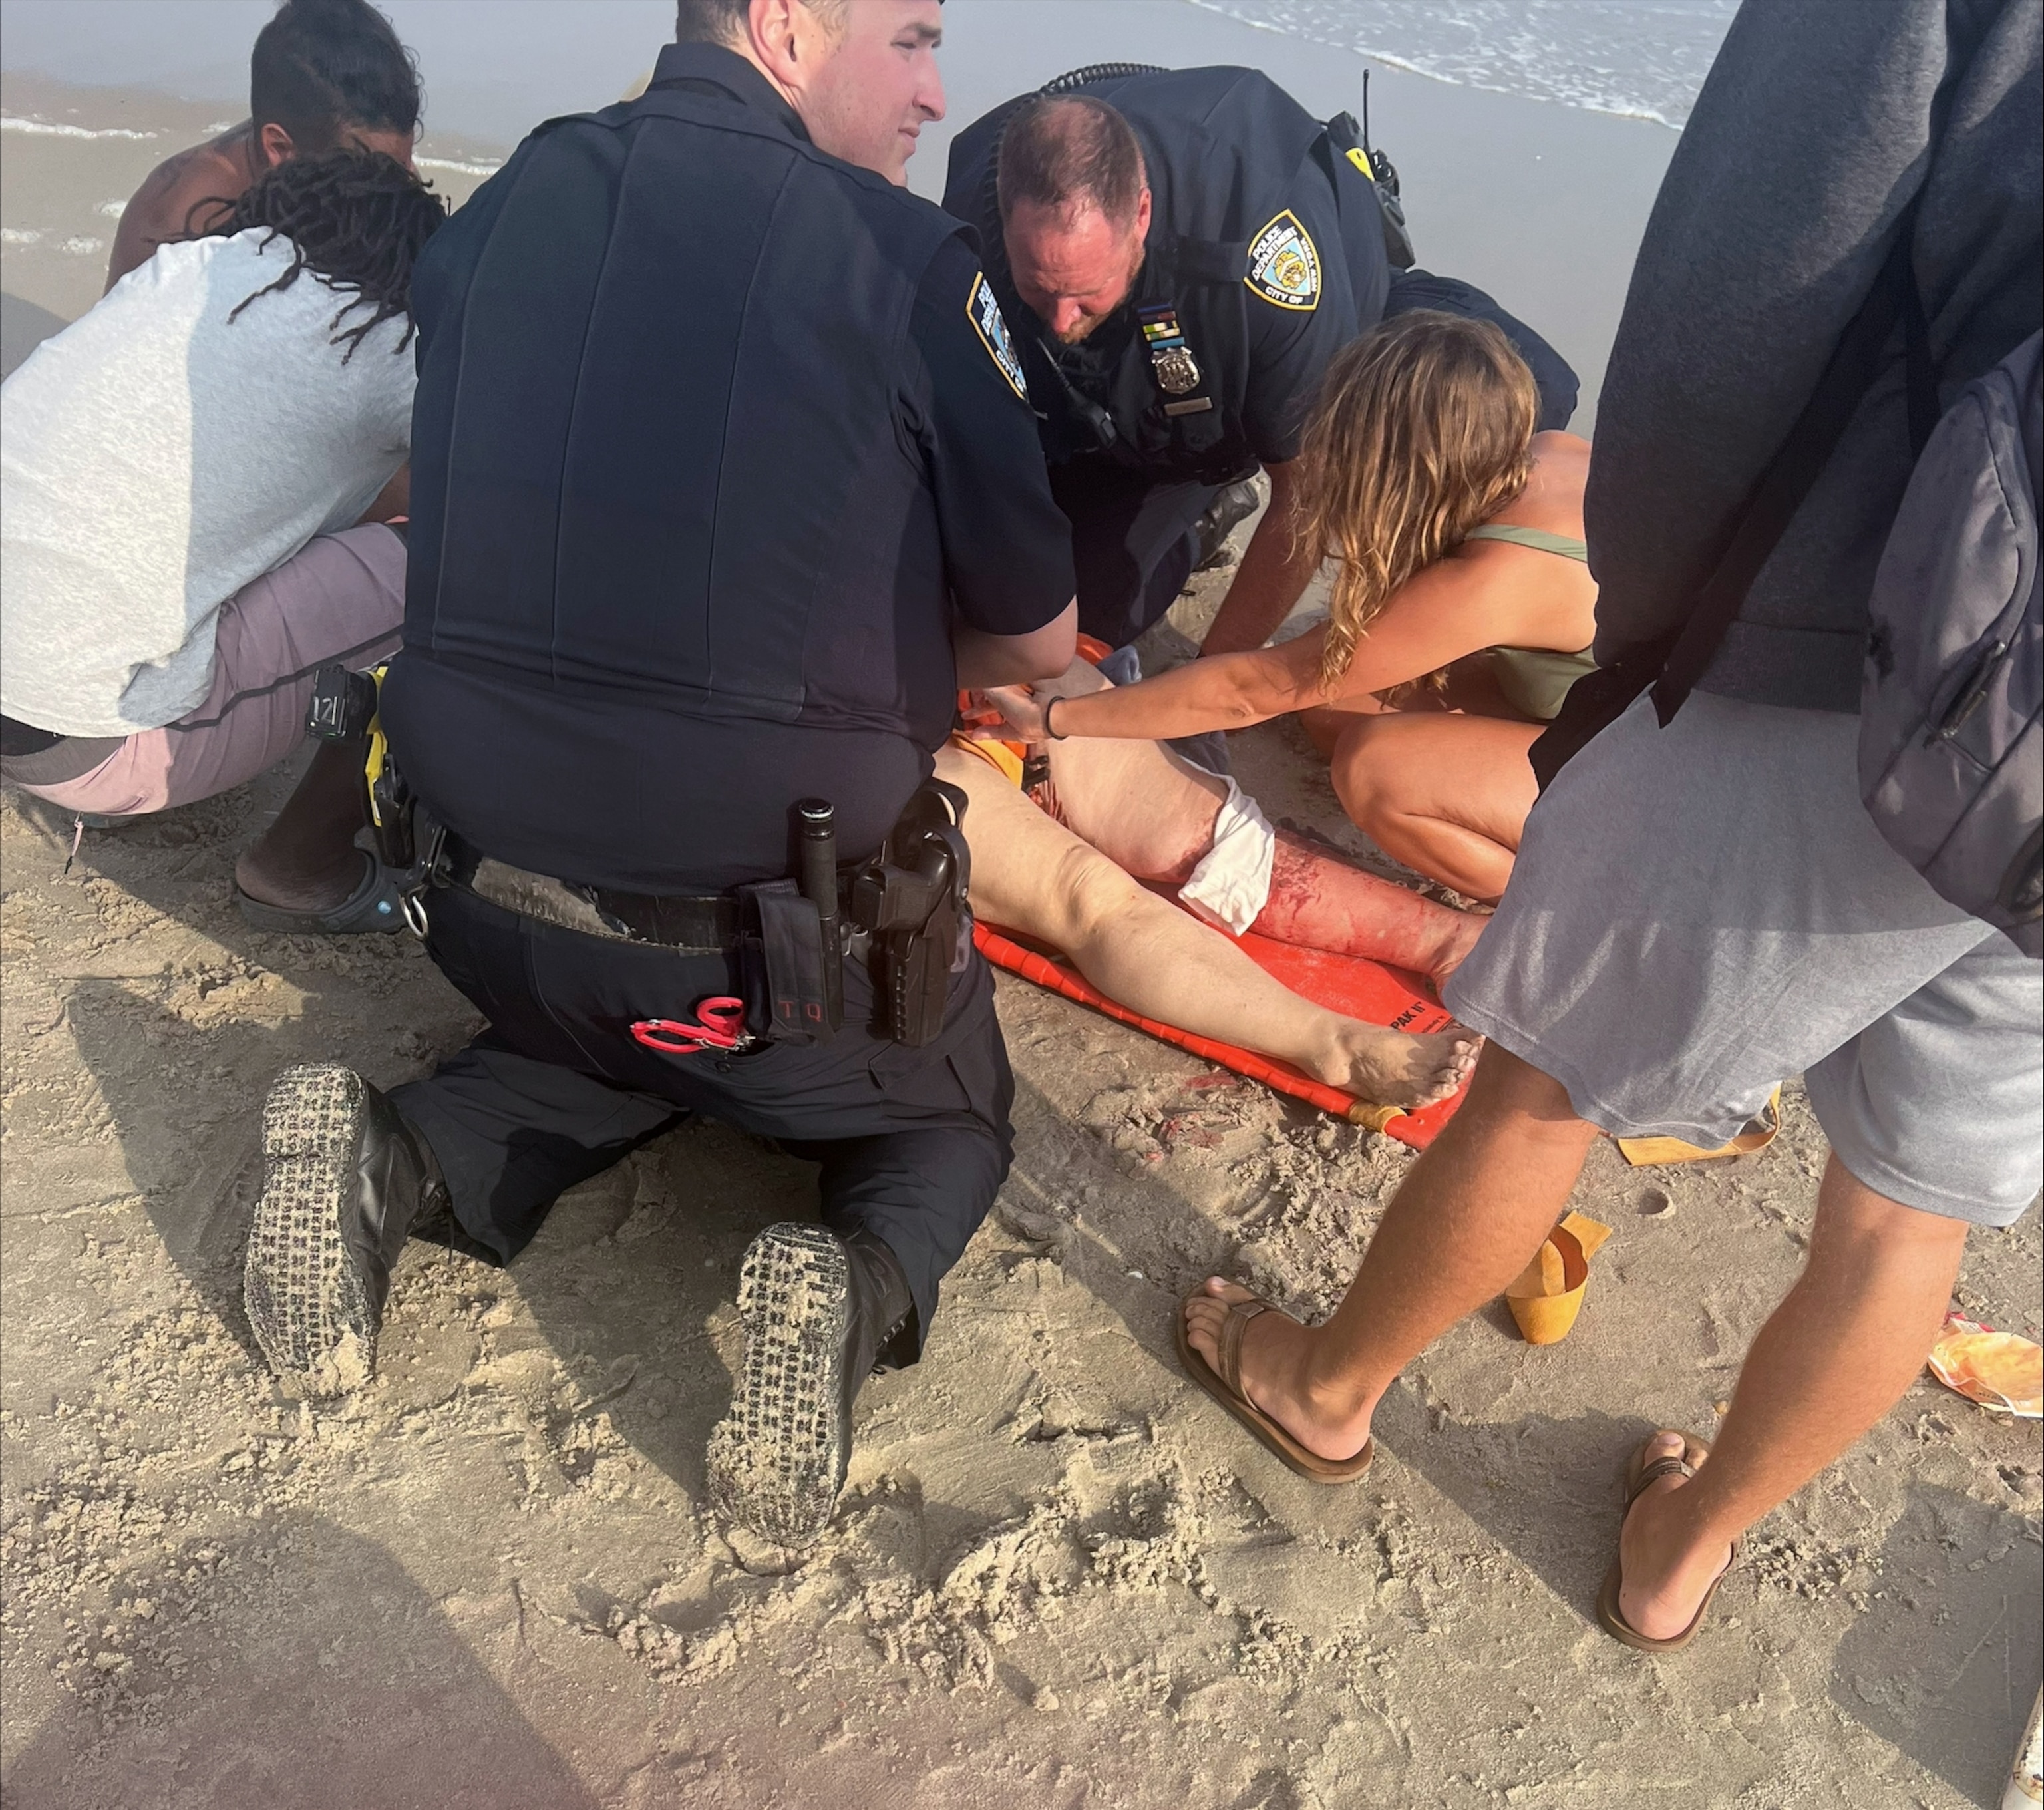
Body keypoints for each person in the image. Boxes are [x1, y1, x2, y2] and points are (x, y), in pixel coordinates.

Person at [1176, 0, 2040, 1651]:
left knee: (1543, 1072)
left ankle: (1326, 1381)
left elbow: (1754, 264)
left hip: (1872, 651)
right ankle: (1678, 1549)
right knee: (1902, 1218)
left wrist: (1665, 614)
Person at [239, 0, 1078, 1550]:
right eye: (906, 38)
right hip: (770, 950)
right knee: (945, 1113)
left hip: (480, 899)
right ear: (779, 24)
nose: (934, 93)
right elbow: (1037, 638)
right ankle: (848, 1288)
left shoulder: (495, 216)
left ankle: (395, 1155)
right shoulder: (898, 264)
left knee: (601, 1043)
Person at [942, 67, 1578, 658]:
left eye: (1084, 292)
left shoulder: (1269, 266)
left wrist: (1205, 700)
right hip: (1112, 400)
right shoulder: (971, 207)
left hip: (1289, 350)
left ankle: (1214, 499)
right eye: (1040, 288)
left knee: (1522, 397)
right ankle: (1185, 506)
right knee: (1040, 613)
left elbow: (1304, 499)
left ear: (1140, 214)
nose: (1059, 319)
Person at [984, 311, 1598, 900]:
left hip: (1646, 790)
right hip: (1610, 712)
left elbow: (1250, 689)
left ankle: (1551, 902)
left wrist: (1060, 718)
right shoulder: (1547, 451)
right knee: (1338, 703)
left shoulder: (1493, 581)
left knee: (1376, 771)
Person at [1, 150, 445, 930]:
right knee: (446, 573)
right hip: (72, 743)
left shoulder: (198, 268)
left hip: (25, 684)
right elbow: (492, 505)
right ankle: (297, 869)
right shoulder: (390, 345)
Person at [943, 655, 1484, 1111]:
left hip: (970, 689)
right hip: (893, 754)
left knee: (1207, 833)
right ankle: (1336, 1045)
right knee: (1090, 894)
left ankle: (1445, 938)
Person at [105, 0, 421, 293]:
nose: (391, 195)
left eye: (401, 169)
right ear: (281, 150)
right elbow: (117, 340)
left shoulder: (376, 165)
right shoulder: (185, 216)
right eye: (370, 183)